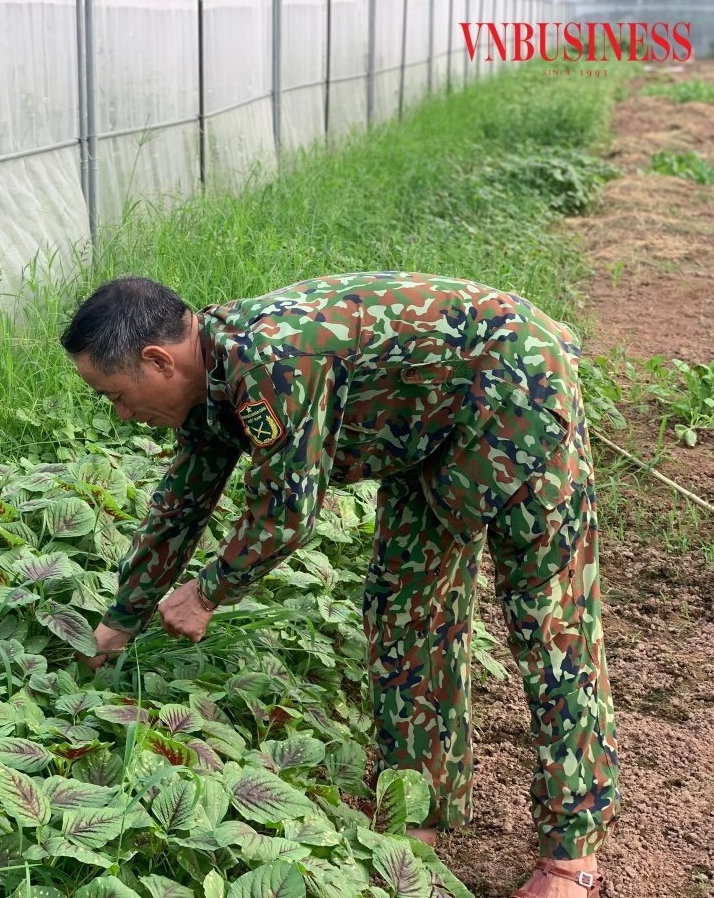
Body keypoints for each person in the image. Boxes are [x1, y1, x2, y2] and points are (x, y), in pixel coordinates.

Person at [60, 272, 619, 898]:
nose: (122, 414)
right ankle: (419, 811)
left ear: (157, 360)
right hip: (426, 428)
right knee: (404, 613)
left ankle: (571, 858)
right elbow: (181, 504)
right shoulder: (210, 381)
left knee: (549, 618)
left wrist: (207, 592)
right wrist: (123, 617)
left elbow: (286, 514)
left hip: (515, 383)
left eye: (114, 394)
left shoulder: (271, 360)